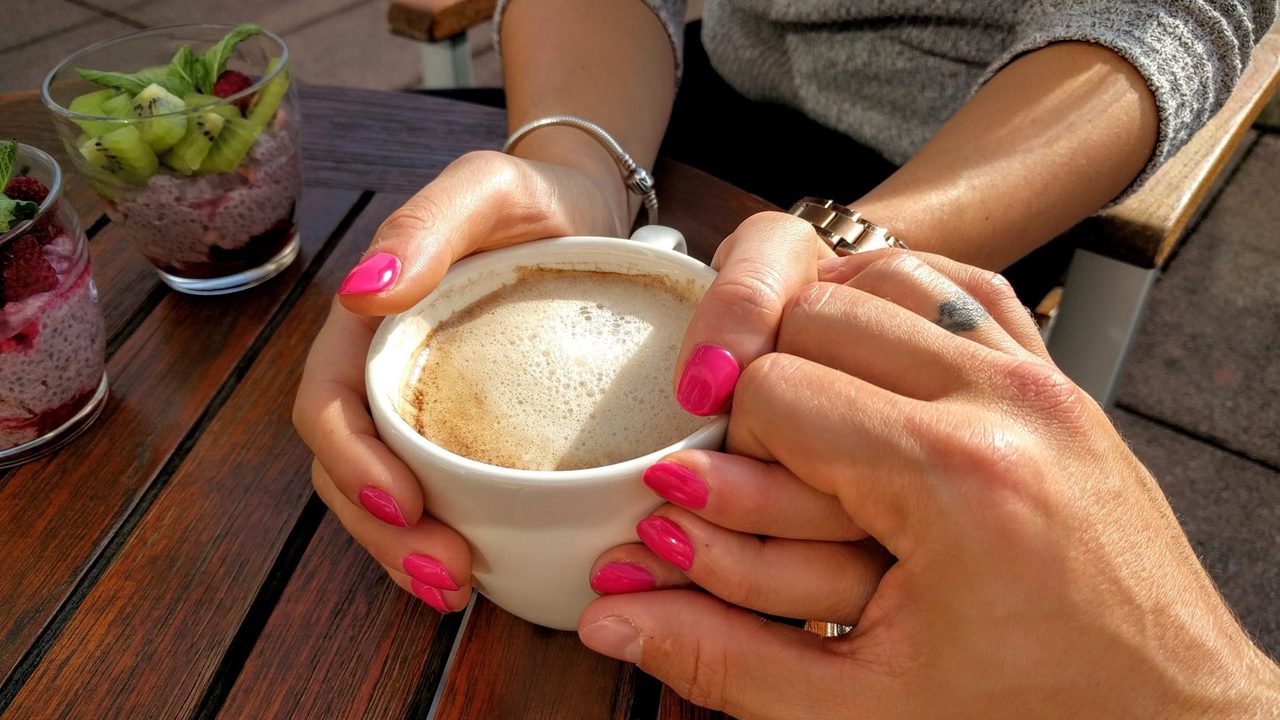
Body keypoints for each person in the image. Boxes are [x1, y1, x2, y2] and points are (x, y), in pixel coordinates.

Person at [292, 0, 1280, 713]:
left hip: (994, 173)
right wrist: (571, 173)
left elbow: (1168, 17)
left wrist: (855, 252)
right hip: (682, 100)